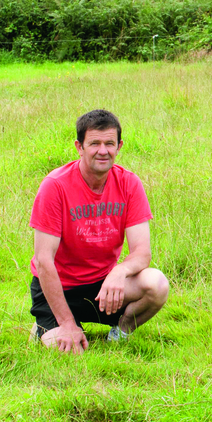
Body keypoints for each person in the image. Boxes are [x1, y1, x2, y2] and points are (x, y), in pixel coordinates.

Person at [29, 109, 169, 353]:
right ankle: (49, 326)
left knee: (156, 284)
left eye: (109, 143)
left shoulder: (129, 183)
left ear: (119, 146)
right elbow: (43, 262)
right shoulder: (55, 186)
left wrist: (119, 272)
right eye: (94, 143)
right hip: (59, 288)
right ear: (79, 147)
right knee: (66, 352)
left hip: (103, 287)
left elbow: (142, 253)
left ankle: (120, 334)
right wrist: (67, 324)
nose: (103, 151)